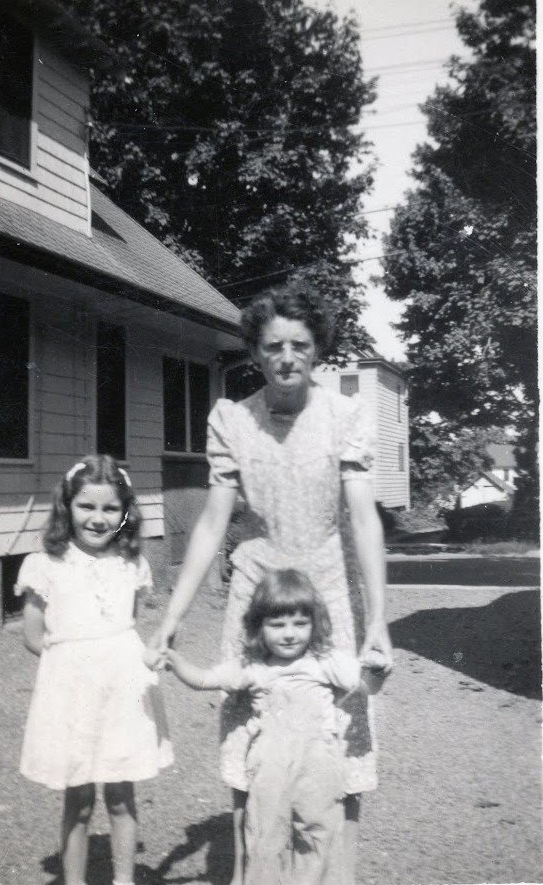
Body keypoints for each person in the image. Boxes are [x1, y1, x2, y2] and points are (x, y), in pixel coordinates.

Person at [151, 283, 392, 885]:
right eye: (274, 346)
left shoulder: (343, 415)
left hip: (330, 588)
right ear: (255, 354)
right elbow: (212, 523)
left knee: (341, 733)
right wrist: (170, 619)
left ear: (318, 351)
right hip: (258, 592)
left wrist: (381, 618)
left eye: (300, 345)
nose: (288, 357)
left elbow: (363, 518)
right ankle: (250, 875)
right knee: (248, 731)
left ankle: (337, 874)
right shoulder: (233, 419)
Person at [163, 570, 388, 885]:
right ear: (259, 627)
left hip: (318, 766)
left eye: (300, 623)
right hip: (269, 768)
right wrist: (174, 661)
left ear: (314, 623)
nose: (289, 634)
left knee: (319, 833)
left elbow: (366, 687)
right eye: (277, 624)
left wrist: (377, 672)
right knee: (266, 836)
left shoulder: (326, 661)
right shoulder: (253, 666)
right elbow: (204, 679)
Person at [16, 455, 173, 885]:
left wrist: (143, 659)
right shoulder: (46, 564)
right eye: (87, 506)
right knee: (79, 799)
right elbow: (33, 635)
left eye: (110, 509)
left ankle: (124, 880)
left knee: (121, 794)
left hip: (120, 693)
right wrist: (67, 664)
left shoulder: (131, 565)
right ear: (67, 507)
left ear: (125, 513)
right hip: (72, 692)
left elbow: (128, 627)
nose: (99, 518)